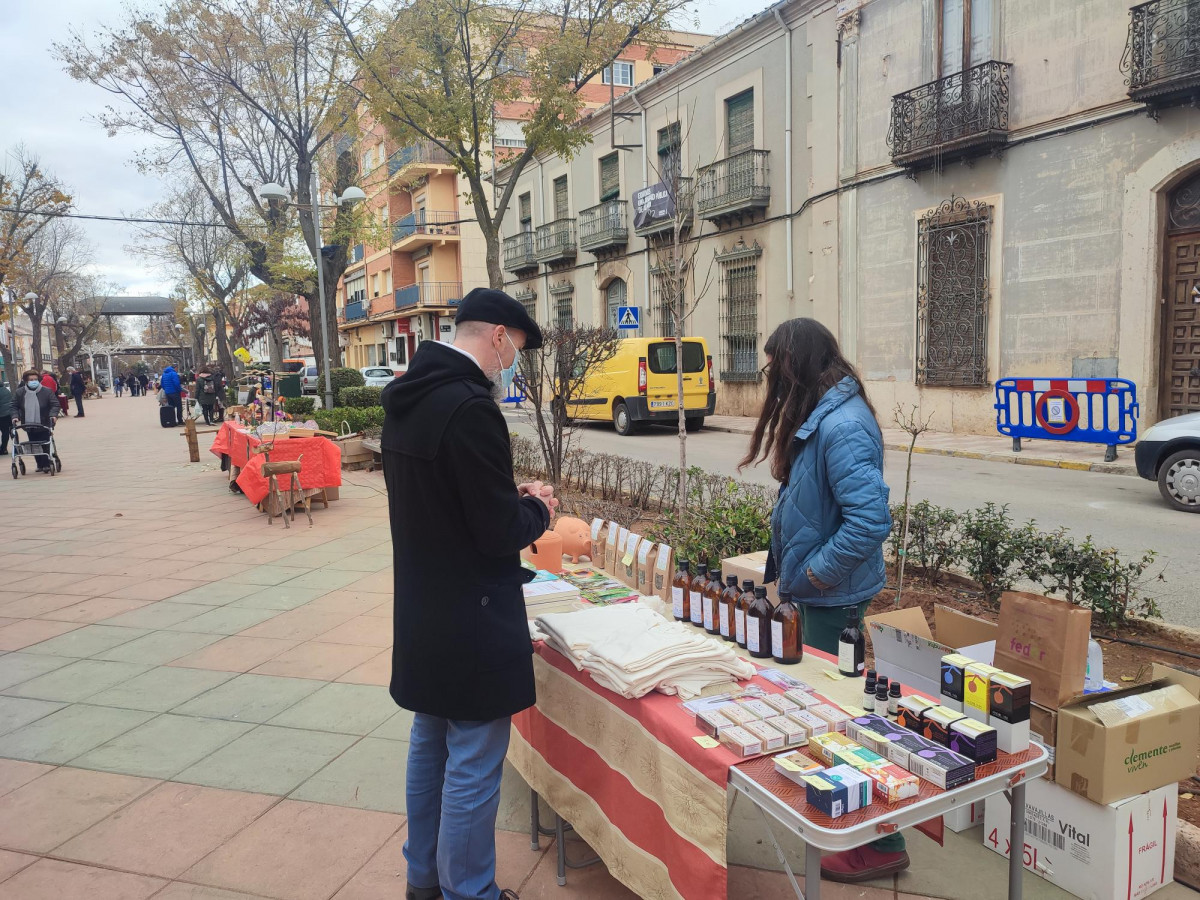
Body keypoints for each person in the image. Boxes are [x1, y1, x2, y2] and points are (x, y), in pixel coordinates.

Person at [381, 287, 555, 900]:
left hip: (426, 611)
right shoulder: (470, 408)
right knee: (475, 765)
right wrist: (536, 509)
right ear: (499, 336)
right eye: (516, 351)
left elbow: (447, 499)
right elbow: (495, 530)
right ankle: (471, 892)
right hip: (474, 620)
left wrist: (510, 495)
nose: (513, 364)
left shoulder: (408, 397)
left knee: (430, 747)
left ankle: (423, 882)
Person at [740, 318, 897, 884]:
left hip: (832, 599)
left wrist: (812, 575)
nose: (772, 380)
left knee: (840, 722)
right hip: (816, 594)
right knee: (827, 717)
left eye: (777, 366)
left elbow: (869, 522)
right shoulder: (824, 413)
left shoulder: (844, 424)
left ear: (798, 363)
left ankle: (882, 841)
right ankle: (851, 826)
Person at [12, 369, 58, 472]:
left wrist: (53, 415)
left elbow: (54, 404)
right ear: (26, 381)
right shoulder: (20, 392)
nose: (34, 381)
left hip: (44, 422)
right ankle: (39, 464)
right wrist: (15, 416)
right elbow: (14, 405)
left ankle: (46, 463)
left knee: (45, 443)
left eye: (36, 379)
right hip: (28, 424)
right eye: (31, 379)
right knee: (33, 444)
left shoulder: (46, 391)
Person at [0, 379, 12, 458]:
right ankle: (16, 447)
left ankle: (3, 449)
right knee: (8, 431)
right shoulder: (5, 390)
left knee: (5, 432)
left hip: (2, 415)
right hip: (9, 414)